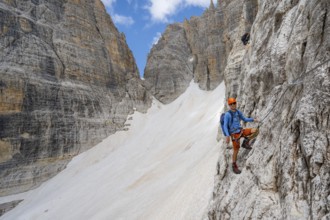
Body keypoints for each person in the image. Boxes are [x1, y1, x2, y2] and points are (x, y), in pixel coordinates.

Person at [223, 97, 258, 174]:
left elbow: (244, 119)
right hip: (234, 135)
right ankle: (234, 165)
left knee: (255, 130)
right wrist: (227, 136)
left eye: (234, 103)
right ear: (229, 105)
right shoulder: (227, 115)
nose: (233, 105)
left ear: (236, 103)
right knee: (236, 150)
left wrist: (253, 120)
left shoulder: (238, 112)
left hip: (241, 131)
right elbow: (225, 126)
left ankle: (246, 142)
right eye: (231, 104)